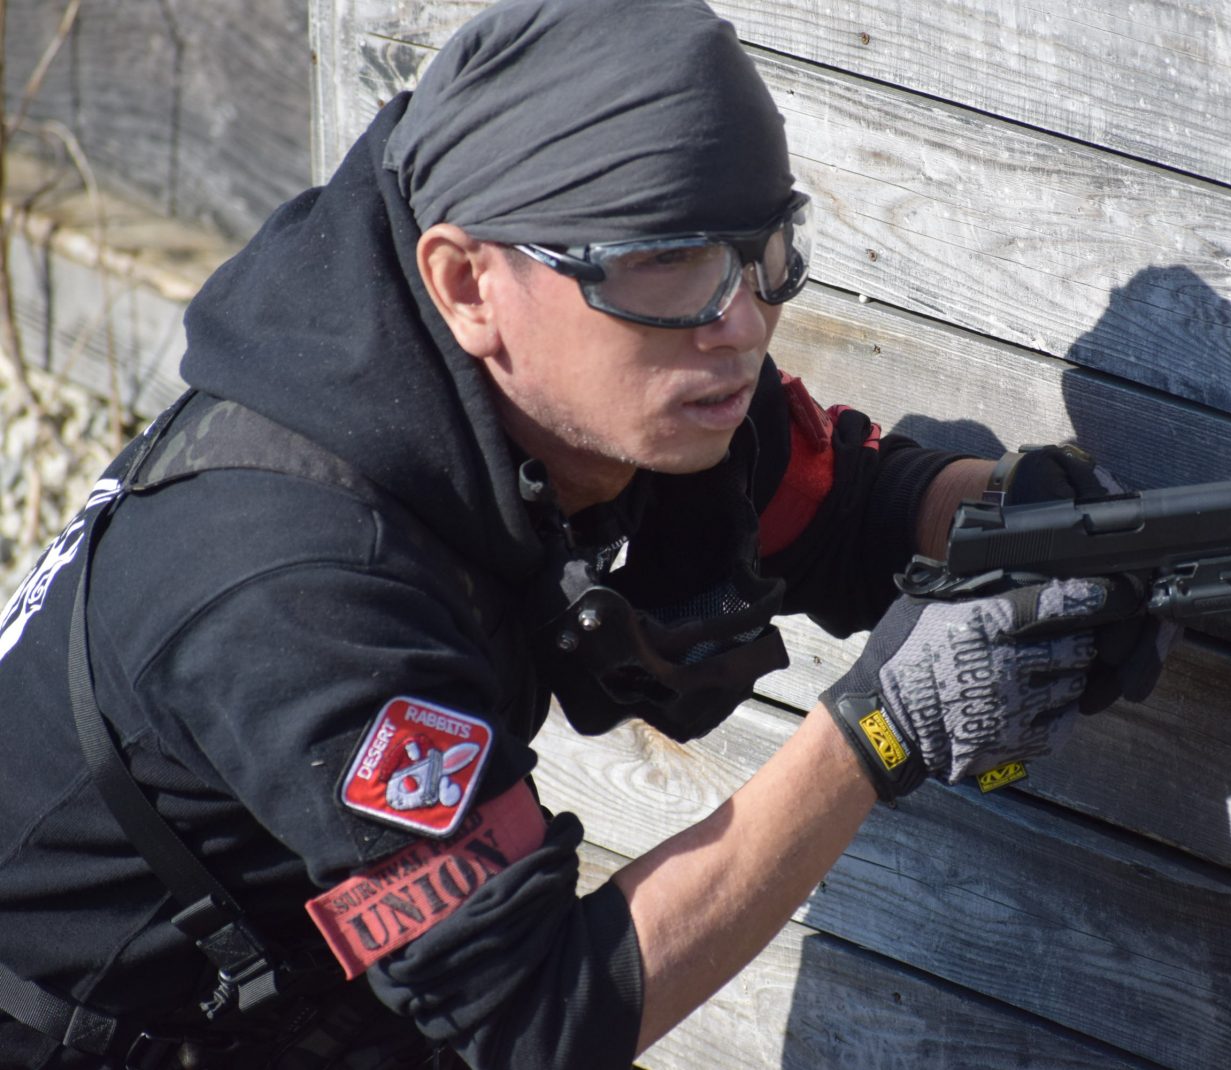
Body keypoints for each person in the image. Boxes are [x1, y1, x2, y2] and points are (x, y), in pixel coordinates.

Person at [0, 0, 1167, 1066]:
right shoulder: (299, 589)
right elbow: (542, 1015)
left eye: (760, 252)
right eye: (664, 261)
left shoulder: (606, 375)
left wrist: (1015, 520)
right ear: (469, 284)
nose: (739, 323)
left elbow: (835, 504)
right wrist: (879, 729)